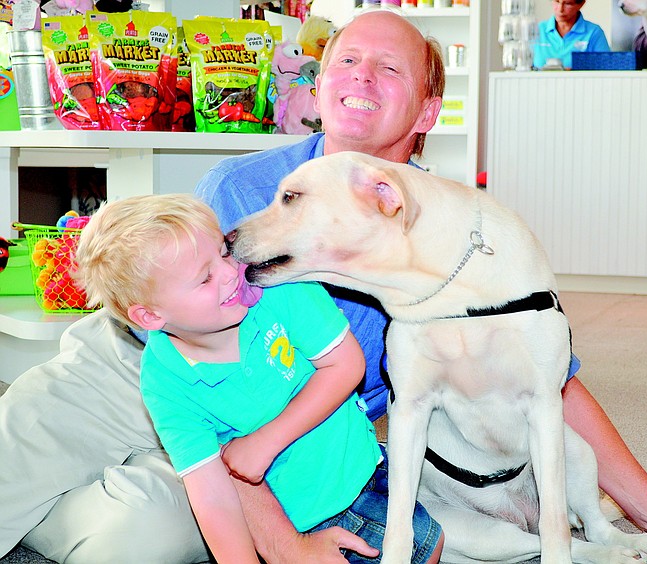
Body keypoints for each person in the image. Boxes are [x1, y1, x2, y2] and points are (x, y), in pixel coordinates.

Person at [0, 8, 647, 564]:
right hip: (131, 367)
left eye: (389, 68)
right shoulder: (250, 189)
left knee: (147, 537)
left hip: (270, 433)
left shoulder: (444, 228)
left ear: (427, 111)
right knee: (19, 458)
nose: (360, 75)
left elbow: (546, 378)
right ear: (319, 87)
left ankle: (68, 521)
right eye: (345, 60)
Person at [73, 193, 444, 564]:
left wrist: (265, 441)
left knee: (427, 544)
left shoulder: (278, 288)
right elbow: (212, 496)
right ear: (150, 317)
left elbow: (346, 366)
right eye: (204, 278)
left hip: (359, 474)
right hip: (284, 521)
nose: (230, 272)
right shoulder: (163, 382)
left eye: (222, 252)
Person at [532, 0, 610, 70]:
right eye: (557, 1)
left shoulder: (594, 32)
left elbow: (606, 69)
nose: (560, 9)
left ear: (581, 4)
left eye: (567, 3)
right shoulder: (537, 30)